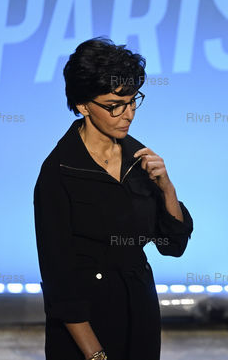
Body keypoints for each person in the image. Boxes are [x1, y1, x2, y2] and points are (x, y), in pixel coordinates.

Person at [33, 37, 193, 360]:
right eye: (114, 105)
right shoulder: (58, 172)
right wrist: (96, 355)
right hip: (84, 330)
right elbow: (58, 280)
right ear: (83, 105)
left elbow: (173, 245)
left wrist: (167, 189)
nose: (128, 114)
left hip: (141, 319)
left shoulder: (140, 159)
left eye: (133, 101)